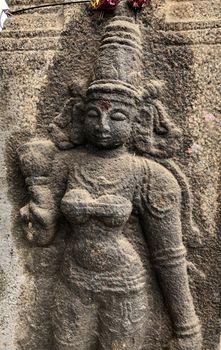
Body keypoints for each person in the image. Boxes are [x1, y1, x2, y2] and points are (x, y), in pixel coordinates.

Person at [18, 8, 202, 350]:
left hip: (126, 283)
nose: (102, 126)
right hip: (73, 279)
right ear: (81, 114)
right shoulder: (66, 164)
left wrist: (187, 328)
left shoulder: (150, 176)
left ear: (136, 120)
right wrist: (37, 209)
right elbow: (43, 235)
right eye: (93, 114)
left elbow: (169, 257)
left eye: (116, 116)